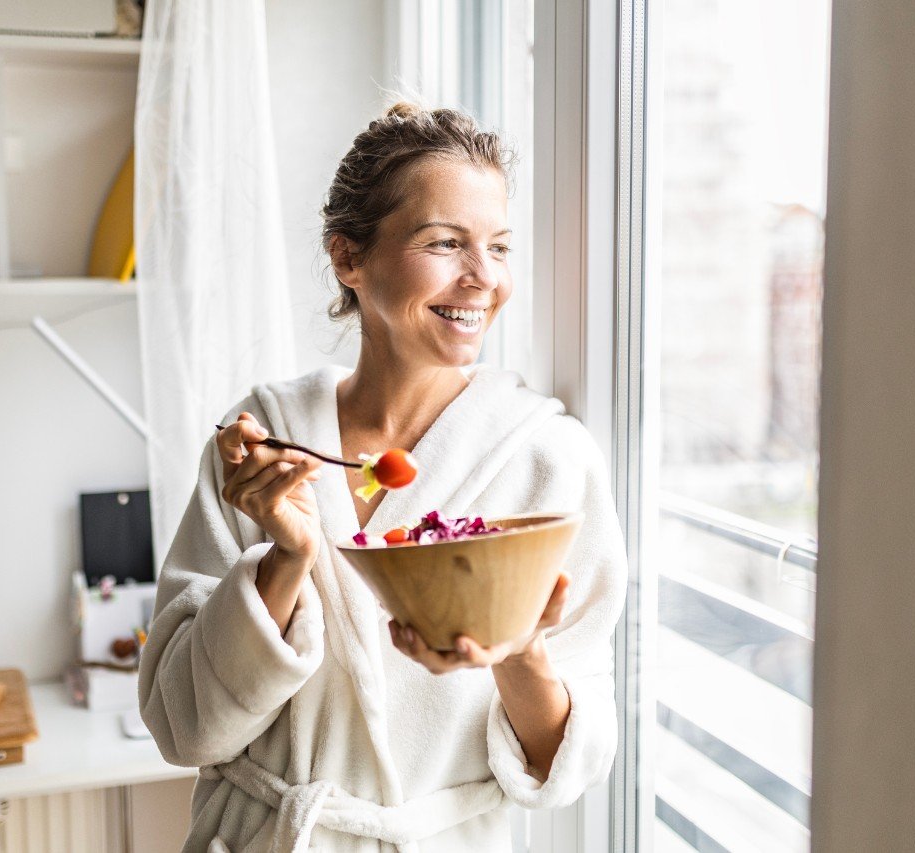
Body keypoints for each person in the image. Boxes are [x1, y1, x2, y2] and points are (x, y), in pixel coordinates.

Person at [138, 102, 627, 852]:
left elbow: (569, 765)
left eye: (498, 246)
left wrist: (519, 650)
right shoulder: (261, 450)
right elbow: (184, 728)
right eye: (446, 242)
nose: (484, 278)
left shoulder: (549, 461)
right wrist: (285, 559)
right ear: (348, 259)